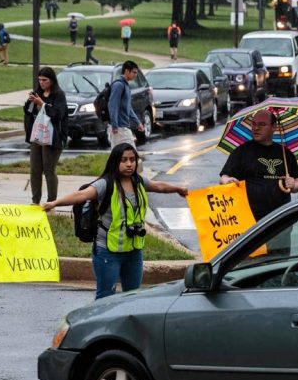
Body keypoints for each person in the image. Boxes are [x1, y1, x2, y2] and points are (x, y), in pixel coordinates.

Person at [42, 143, 187, 299]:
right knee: (105, 298)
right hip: (108, 252)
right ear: (115, 161)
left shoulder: (138, 182)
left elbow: (159, 186)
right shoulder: (106, 183)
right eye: (124, 160)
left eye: (132, 160)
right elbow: (81, 195)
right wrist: (54, 203)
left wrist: (177, 189)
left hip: (133, 251)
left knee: (132, 297)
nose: (129, 164)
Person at [220, 109, 298, 222]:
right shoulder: (242, 151)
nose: (256, 128)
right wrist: (227, 181)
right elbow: (224, 177)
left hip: (279, 219)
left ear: (274, 127)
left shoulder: (285, 153)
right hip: (248, 219)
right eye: (253, 124)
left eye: (262, 124)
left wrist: (294, 184)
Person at [24, 67, 68, 205]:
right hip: (37, 136)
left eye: (45, 80)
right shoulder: (38, 93)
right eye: (40, 80)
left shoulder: (59, 95)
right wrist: (30, 102)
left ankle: (51, 202)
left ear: (52, 80)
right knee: (35, 169)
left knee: (49, 169)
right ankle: (35, 201)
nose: (42, 83)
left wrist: (42, 104)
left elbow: (57, 114)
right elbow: (28, 111)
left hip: (53, 138)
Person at [108, 60, 144, 148]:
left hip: (124, 126)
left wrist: (137, 122)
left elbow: (128, 108)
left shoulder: (125, 85)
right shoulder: (119, 85)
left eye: (136, 73)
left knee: (121, 157)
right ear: (127, 71)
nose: (135, 75)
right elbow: (113, 105)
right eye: (134, 72)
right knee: (130, 154)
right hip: (119, 128)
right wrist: (115, 125)